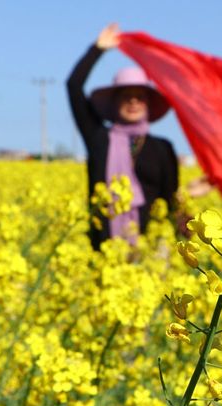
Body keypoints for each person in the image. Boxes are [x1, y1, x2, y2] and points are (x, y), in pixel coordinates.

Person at [67, 23, 179, 251]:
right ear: (114, 103)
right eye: (126, 96)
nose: (133, 102)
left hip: (152, 248)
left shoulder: (162, 148)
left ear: (148, 104)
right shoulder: (99, 138)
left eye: (139, 96)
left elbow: (169, 199)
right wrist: (97, 49)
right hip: (105, 246)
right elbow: (73, 86)